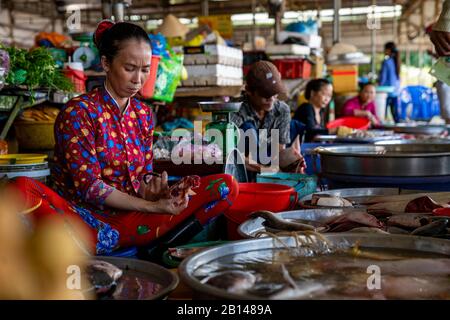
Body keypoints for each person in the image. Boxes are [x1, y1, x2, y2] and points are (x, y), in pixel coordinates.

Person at [8, 20, 238, 255]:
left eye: (146, 69)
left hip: (135, 215)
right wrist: (149, 206)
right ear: (106, 63)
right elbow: (90, 187)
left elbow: (143, 176)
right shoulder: (79, 113)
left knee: (225, 186)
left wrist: (155, 191)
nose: (138, 79)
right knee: (20, 188)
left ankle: (152, 247)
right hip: (87, 220)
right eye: (130, 68)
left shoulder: (143, 114)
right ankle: (133, 242)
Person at [231, 60, 306, 178]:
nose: (271, 99)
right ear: (249, 91)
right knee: (248, 128)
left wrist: (294, 162)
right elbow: (228, 154)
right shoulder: (235, 110)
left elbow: (279, 153)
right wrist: (262, 169)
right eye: (265, 95)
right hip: (240, 169)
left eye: (274, 93)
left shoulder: (282, 110)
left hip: (267, 160)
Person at [379, 41, 401, 122]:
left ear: (388, 50)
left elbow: (383, 78)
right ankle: (399, 128)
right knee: (395, 115)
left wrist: (379, 86)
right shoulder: (397, 61)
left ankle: (381, 126)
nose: (384, 51)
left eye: (385, 49)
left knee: (382, 113)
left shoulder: (386, 62)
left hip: (386, 91)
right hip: (395, 90)